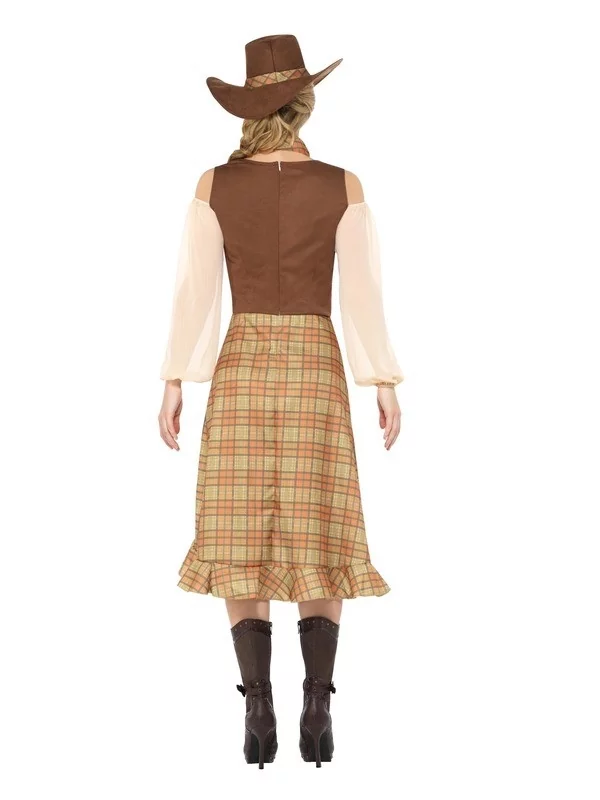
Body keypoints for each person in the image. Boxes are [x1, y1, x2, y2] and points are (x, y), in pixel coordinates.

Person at [158, 34, 404, 769]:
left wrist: (175, 378)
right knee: (319, 524)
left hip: (242, 363)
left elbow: (195, 293)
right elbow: (362, 294)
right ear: (304, 106)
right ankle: (318, 706)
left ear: (250, 108)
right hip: (315, 365)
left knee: (240, 532)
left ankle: (258, 709)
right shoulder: (343, 186)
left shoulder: (214, 185)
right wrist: (381, 380)